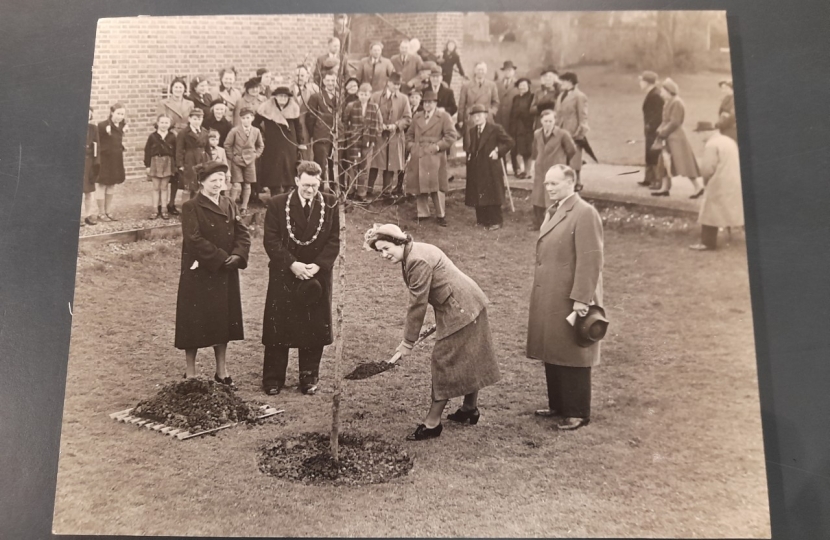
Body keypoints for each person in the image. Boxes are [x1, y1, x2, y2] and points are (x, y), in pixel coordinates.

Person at [363, 224, 502, 441]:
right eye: (379, 251)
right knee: (470, 357)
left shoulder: (417, 260)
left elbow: (417, 304)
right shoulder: (414, 250)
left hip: (462, 309)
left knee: (443, 362)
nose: (383, 255)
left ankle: (432, 424)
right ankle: (469, 409)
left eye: (386, 248)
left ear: (399, 241)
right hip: (465, 302)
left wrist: (408, 342)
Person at [527, 164, 604, 431]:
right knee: (554, 347)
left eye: (554, 184)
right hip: (552, 293)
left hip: (571, 296)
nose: (548, 189)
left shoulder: (584, 213)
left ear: (571, 182)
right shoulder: (555, 210)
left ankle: (577, 411)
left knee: (573, 351)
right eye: (546, 184)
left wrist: (582, 298)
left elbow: (590, 260)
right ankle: (558, 404)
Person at [262, 160, 341, 396]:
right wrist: (292, 264)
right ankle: (273, 378)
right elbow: (271, 239)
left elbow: (335, 239)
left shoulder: (330, 203)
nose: (310, 190)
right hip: (285, 274)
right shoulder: (277, 204)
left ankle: (309, 377)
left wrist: (318, 266)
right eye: (306, 185)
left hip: (316, 276)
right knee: (279, 327)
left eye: (315, 185)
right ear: (296, 181)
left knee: (313, 327)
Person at [175, 161, 251, 386]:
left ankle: (221, 371)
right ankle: (191, 373)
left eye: (221, 179)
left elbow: (242, 233)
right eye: (213, 180)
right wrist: (220, 258)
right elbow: (194, 239)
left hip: (225, 272)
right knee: (193, 322)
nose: (219, 184)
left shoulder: (229, 203)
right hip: (200, 272)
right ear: (201, 182)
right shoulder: (191, 207)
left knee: (222, 321)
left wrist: (237, 255)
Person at [405, 90, 458, 226]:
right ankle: (422, 213)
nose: (428, 105)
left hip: (436, 156)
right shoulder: (417, 117)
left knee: (437, 185)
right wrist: (412, 147)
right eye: (425, 102)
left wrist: (438, 147)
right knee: (420, 184)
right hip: (419, 154)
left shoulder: (444, 117)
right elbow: (409, 135)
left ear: (435, 103)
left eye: (431, 102)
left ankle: (441, 215)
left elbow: (451, 135)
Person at [689, 121, 744, 251]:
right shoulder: (728, 141)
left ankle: (707, 242)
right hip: (735, 179)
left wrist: (706, 182)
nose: (699, 136)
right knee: (737, 209)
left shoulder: (711, 144)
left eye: (699, 132)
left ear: (706, 131)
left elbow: (707, 168)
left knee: (709, 211)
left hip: (720, 180)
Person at [463, 104, 514, 231]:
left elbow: (509, 142)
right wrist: (469, 155)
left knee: (493, 193)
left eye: (479, 115)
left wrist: (498, 152)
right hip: (477, 167)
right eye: (474, 116)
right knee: (478, 193)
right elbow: (474, 147)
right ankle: (482, 220)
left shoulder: (495, 128)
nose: (476, 118)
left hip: (490, 166)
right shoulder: (473, 131)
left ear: (486, 115)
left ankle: (496, 221)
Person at [651, 78, 704, 198]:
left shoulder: (677, 102)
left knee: (684, 162)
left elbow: (675, 122)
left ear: (669, 91)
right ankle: (664, 188)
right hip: (668, 136)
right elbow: (666, 121)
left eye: (663, 91)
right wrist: (660, 131)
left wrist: (662, 132)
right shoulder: (668, 102)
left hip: (676, 137)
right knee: (663, 162)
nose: (661, 93)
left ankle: (698, 187)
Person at [527, 109, 576, 231]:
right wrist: (534, 164)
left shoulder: (562, 134)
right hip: (540, 170)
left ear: (555, 121)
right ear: (541, 121)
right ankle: (537, 223)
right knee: (538, 196)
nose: (548, 123)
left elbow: (571, 150)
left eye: (550, 121)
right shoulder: (537, 133)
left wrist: (562, 162)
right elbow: (535, 150)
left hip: (555, 171)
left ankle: (555, 223)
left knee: (554, 196)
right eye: (545, 121)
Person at [254, 86, 305, 198]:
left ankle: (288, 193)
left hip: (289, 142)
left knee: (289, 167)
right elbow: (255, 123)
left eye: (285, 96)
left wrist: (300, 142)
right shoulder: (266, 108)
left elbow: (298, 127)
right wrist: (261, 135)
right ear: (275, 97)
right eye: (280, 96)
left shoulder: (294, 108)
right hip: (272, 143)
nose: (282, 98)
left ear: (288, 98)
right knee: (274, 168)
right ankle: (275, 195)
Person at [368, 72, 412, 198]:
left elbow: (408, 118)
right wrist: (378, 125)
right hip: (379, 135)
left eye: (398, 85)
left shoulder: (403, 99)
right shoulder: (376, 96)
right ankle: (368, 189)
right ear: (388, 82)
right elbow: (370, 113)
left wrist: (396, 125)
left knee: (390, 163)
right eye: (394, 84)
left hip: (395, 136)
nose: (396, 87)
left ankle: (386, 192)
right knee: (375, 162)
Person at [342, 83, 382, 201]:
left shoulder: (374, 107)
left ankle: (361, 192)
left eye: (366, 94)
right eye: (361, 94)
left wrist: (374, 138)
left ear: (369, 95)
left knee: (364, 167)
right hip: (353, 140)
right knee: (352, 165)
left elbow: (379, 124)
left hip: (368, 141)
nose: (363, 96)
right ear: (358, 94)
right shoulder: (351, 106)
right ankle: (350, 191)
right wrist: (349, 133)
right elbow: (344, 121)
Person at [224, 107, 265, 214]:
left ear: (252, 118)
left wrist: (256, 155)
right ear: (240, 119)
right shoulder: (235, 131)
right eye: (243, 118)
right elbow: (227, 145)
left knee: (247, 184)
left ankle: (244, 207)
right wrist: (232, 157)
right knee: (236, 184)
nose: (245, 120)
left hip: (250, 161)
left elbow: (260, 145)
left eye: (248, 118)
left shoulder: (256, 131)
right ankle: (231, 206)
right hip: (237, 161)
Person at [306, 68, 339, 190]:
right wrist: (315, 133)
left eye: (333, 80)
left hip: (335, 137)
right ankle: (317, 189)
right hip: (321, 136)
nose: (331, 83)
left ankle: (333, 189)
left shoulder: (340, 97)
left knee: (333, 165)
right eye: (328, 80)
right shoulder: (317, 97)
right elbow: (310, 118)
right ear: (323, 82)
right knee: (320, 164)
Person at [96, 103, 128, 222]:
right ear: (112, 112)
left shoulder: (122, 125)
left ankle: (108, 211)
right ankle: (101, 213)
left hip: (116, 158)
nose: (120, 116)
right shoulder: (102, 125)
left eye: (122, 114)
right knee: (102, 184)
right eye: (118, 113)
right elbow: (98, 142)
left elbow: (117, 139)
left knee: (112, 184)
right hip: (105, 159)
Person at [555, 72, 590, 182]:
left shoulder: (580, 96)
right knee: (562, 156)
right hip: (560, 130)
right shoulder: (561, 95)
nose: (561, 84)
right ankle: (565, 180)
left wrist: (580, 132)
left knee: (575, 156)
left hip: (573, 131)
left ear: (570, 82)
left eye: (563, 81)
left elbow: (583, 116)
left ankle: (577, 181)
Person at [144, 114, 177, 220]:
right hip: (155, 162)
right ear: (157, 123)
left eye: (166, 123)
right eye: (162, 122)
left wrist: (175, 165)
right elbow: (147, 151)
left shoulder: (172, 136)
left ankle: (164, 209)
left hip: (168, 162)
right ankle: (154, 210)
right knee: (155, 187)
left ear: (170, 124)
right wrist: (147, 165)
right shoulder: (152, 136)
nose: (164, 125)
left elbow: (176, 152)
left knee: (164, 187)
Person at [176, 108, 211, 202]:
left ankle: (196, 209)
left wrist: (209, 162)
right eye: (195, 119)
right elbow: (179, 149)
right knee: (188, 186)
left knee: (198, 186)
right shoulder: (183, 133)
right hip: (189, 160)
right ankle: (185, 209)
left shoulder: (204, 132)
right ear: (189, 119)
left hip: (202, 160)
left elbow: (208, 149)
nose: (197, 121)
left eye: (199, 119)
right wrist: (180, 164)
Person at [638, 71, 664, 189]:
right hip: (650, 129)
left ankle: (656, 180)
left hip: (654, 129)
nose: (640, 83)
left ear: (647, 82)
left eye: (641, 81)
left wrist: (650, 126)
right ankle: (648, 179)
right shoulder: (652, 93)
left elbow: (658, 114)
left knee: (654, 153)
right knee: (649, 152)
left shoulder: (656, 95)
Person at [495, 60, 520, 175]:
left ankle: (516, 167)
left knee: (513, 142)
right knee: (500, 142)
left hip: (513, 119)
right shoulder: (497, 84)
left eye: (510, 70)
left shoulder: (518, 85)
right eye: (506, 70)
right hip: (499, 118)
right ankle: (502, 167)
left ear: (514, 71)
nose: (508, 72)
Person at [457, 62, 499, 131]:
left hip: (486, 118)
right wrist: (460, 119)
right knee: (470, 140)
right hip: (471, 118)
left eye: (482, 70)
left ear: (485, 71)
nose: (480, 72)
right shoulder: (466, 86)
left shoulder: (491, 85)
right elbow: (461, 105)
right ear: (475, 71)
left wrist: (491, 113)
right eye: (478, 69)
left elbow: (496, 102)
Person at [291, 64, 320, 162]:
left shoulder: (312, 92)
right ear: (293, 76)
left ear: (307, 77)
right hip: (290, 128)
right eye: (297, 75)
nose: (299, 78)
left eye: (302, 76)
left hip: (305, 128)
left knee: (306, 156)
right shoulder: (287, 91)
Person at [509, 77, 534, 179]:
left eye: (524, 85)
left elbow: (532, 111)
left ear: (528, 86)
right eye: (520, 85)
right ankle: (521, 170)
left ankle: (528, 171)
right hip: (516, 127)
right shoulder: (516, 98)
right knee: (518, 149)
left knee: (527, 150)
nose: (522, 87)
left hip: (527, 126)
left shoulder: (532, 97)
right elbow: (512, 112)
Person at [81, 107, 100, 227]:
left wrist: (96, 164)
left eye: (89, 114)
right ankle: (78, 217)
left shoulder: (93, 129)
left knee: (88, 192)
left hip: (89, 163)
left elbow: (97, 147)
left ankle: (87, 215)